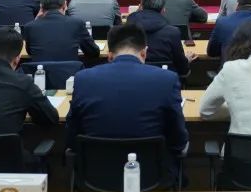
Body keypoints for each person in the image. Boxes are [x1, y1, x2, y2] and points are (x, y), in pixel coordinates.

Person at [67, 23, 188, 182]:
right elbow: (179, 140)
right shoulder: (167, 79)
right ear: (144, 53)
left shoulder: (83, 79)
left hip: (94, 178)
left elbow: (71, 136)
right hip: (153, 177)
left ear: (110, 56)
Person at [22, 0, 100, 62]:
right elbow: (93, 52)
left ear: (41, 6)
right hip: (70, 71)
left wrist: (35, 21)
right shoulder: (76, 24)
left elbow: (30, 52)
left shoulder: (30, 27)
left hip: (41, 71)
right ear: (65, 5)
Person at [126, 0, 192, 75]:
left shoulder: (127, 29)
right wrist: (186, 60)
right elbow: (183, 68)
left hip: (134, 76)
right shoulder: (172, 32)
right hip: (164, 77)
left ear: (141, 6)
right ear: (163, 10)